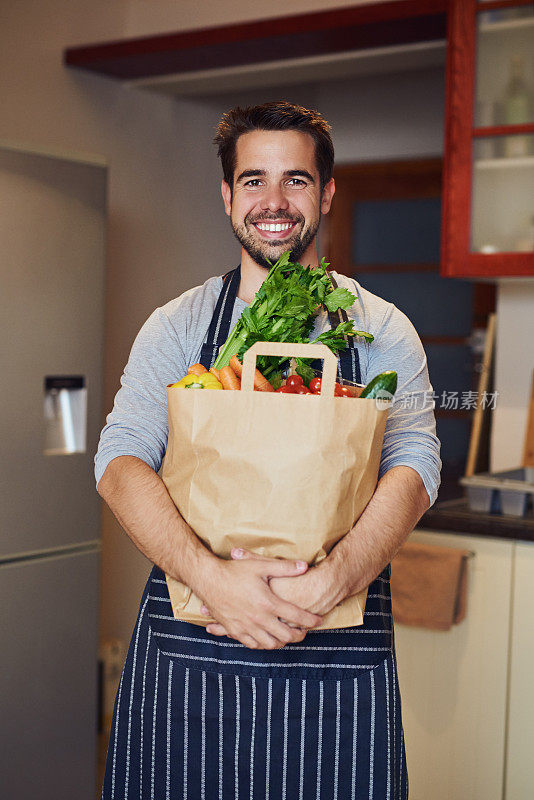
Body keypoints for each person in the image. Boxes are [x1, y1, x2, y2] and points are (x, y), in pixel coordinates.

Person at [96, 101, 440, 799]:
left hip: (336, 656)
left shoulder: (382, 330)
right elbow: (120, 461)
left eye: (297, 181)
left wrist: (333, 582)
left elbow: (415, 464)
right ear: (227, 196)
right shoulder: (178, 325)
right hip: (192, 652)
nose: (274, 203)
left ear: (328, 192)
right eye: (253, 181)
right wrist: (213, 579)